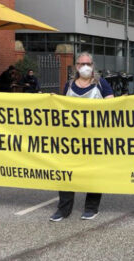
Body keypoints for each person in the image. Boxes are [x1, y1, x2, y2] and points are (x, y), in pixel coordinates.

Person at [50, 52, 114, 222]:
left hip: (95, 138)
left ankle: (91, 208)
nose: (84, 67)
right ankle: (63, 210)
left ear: (93, 65)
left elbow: (112, 106)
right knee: (66, 172)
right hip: (71, 139)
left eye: (88, 63)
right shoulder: (69, 85)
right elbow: (62, 107)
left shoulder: (102, 84)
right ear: (76, 66)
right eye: (80, 64)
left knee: (92, 173)